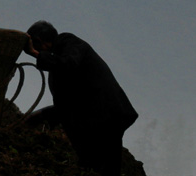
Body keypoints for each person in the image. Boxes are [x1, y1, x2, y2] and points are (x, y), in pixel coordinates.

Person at [25, 20, 138, 176]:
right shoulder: (58, 60)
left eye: (35, 45)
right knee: (94, 165)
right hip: (95, 118)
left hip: (105, 117)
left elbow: (68, 65)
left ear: (39, 41)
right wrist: (42, 115)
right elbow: (70, 103)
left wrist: (35, 54)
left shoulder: (69, 43)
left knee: (105, 166)